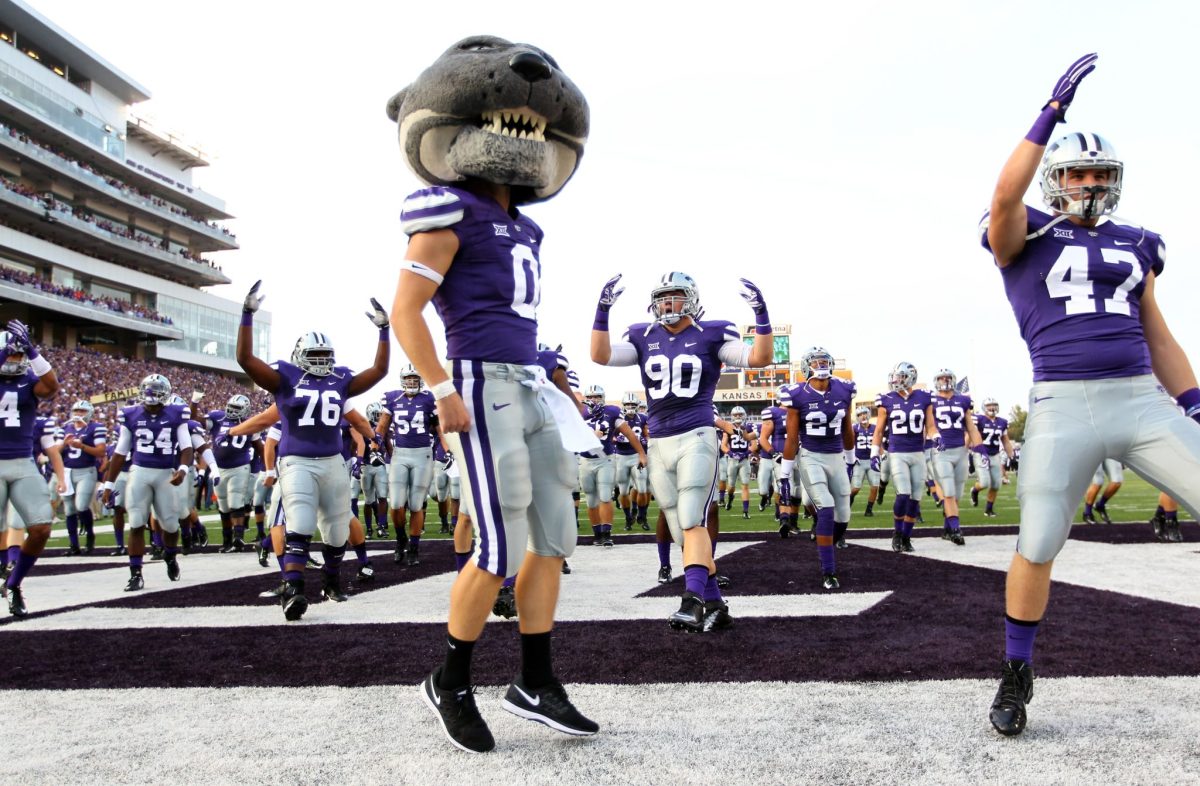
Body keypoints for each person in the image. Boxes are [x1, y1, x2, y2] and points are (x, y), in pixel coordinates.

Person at [980, 53, 1200, 736]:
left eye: (1100, 173)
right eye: (1077, 172)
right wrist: (1051, 115)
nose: (1089, 183)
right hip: (1062, 404)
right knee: (1040, 538)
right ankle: (1017, 671)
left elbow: (1155, 328)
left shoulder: (1140, 243)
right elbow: (1003, 201)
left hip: (1139, 398)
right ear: (1055, 178)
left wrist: (1192, 399)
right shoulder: (1025, 234)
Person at [388, 36, 599, 748]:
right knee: (500, 545)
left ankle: (535, 680)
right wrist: (442, 388)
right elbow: (405, 313)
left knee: (552, 538)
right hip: (478, 383)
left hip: (527, 382)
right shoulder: (447, 209)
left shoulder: (524, 224)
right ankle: (450, 679)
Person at [591, 272, 773, 631]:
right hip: (659, 441)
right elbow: (602, 355)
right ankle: (717, 606)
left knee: (692, 518)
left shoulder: (712, 333)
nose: (666, 304)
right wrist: (602, 310)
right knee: (679, 527)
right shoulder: (644, 335)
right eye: (662, 298)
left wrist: (761, 315)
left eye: (674, 297)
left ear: (690, 299)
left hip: (697, 434)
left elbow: (758, 358)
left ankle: (692, 602)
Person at [237, 281, 390, 619]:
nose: (321, 361)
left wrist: (384, 331)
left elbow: (380, 371)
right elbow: (246, 359)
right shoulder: (286, 377)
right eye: (314, 356)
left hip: (334, 462)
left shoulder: (341, 379)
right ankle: (293, 590)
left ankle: (331, 580)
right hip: (297, 461)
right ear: (299, 356)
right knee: (301, 522)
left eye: (325, 356)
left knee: (336, 531)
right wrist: (246, 316)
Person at [101, 375, 191, 591]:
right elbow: (121, 452)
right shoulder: (130, 414)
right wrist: (108, 485)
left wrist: (183, 468)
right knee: (136, 521)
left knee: (170, 524)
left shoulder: (176, 413)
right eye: (149, 390)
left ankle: (170, 556)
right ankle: (135, 573)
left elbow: (186, 447)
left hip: (165, 473)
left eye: (157, 390)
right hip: (139, 471)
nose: (152, 395)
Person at [779, 348, 855, 589]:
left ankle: (825, 547)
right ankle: (828, 571)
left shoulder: (845, 389)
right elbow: (791, 439)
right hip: (811, 456)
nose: (821, 365)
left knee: (843, 516)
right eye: (816, 362)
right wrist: (785, 473)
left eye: (824, 361)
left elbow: (847, 429)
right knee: (826, 507)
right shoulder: (796, 394)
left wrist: (851, 459)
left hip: (835, 456)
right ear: (806, 367)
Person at [0, 320, 61, 616]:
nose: (16, 360)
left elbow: (51, 386)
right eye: (11, 355)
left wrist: (32, 350)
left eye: (18, 356)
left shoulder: (27, 382)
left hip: (23, 462)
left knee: (40, 528)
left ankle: (13, 583)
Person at [871, 363, 935, 553]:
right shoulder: (886, 399)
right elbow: (879, 430)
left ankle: (907, 536)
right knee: (904, 493)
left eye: (900, 377)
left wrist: (937, 437)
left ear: (910, 377)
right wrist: (875, 453)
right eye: (895, 377)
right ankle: (897, 533)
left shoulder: (924, 397)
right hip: (897, 452)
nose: (895, 380)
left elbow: (930, 426)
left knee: (916, 498)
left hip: (918, 452)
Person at [377, 365, 437, 565]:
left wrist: (448, 449)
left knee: (416, 504)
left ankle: (414, 547)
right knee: (395, 503)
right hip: (400, 454)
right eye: (408, 378)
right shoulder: (392, 398)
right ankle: (401, 536)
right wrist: (375, 441)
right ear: (402, 379)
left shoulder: (429, 398)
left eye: (415, 378)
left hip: (422, 454)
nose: (411, 381)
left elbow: (439, 428)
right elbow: (383, 425)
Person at [929, 369, 983, 544]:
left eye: (947, 377)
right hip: (941, 451)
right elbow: (927, 427)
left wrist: (980, 448)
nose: (945, 380)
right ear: (936, 381)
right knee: (949, 493)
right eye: (941, 378)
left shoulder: (963, 400)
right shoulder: (931, 400)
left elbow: (971, 427)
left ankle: (947, 528)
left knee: (957, 495)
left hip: (960, 451)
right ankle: (955, 530)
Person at [57, 400, 106, 555]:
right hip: (66, 471)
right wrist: (64, 444)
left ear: (89, 413)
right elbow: (55, 452)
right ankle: (74, 545)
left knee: (81, 506)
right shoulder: (64, 429)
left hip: (86, 471)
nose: (78, 414)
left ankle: (90, 535)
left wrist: (82, 446)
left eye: (82, 411)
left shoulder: (96, 428)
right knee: (69, 509)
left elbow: (100, 452)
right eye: (76, 410)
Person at [970, 398, 1015, 517]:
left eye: (994, 405)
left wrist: (1012, 456)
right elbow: (971, 434)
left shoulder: (1002, 422)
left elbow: (1005, 441)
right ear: (984, 407)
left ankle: (988, 510)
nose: (992, 408)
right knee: (984, 483)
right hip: (980, 453)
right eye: (989, 406)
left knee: (996, 484)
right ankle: (974, 491)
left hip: (995, 454)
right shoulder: (978, 419)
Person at [849, 406, 879, 516]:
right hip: (859, 461)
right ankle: (847, 506)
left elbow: (879, 441)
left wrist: (881, 454)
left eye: (864, 413)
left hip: (872, 460)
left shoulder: (875, 428)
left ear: (869, 414)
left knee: (875, 487)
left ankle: (869, 510)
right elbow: (849, 444)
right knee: (856, 488)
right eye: (860, 414)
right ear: (857, 417)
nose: (863, 416)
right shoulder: (854, 428)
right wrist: (851, 456)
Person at [1081, 460, 1122, 524]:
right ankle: (1087, 513)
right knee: (1098, 482)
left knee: (1117, 481)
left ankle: (1100, 505)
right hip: (1093, 451)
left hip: (1112, 451)